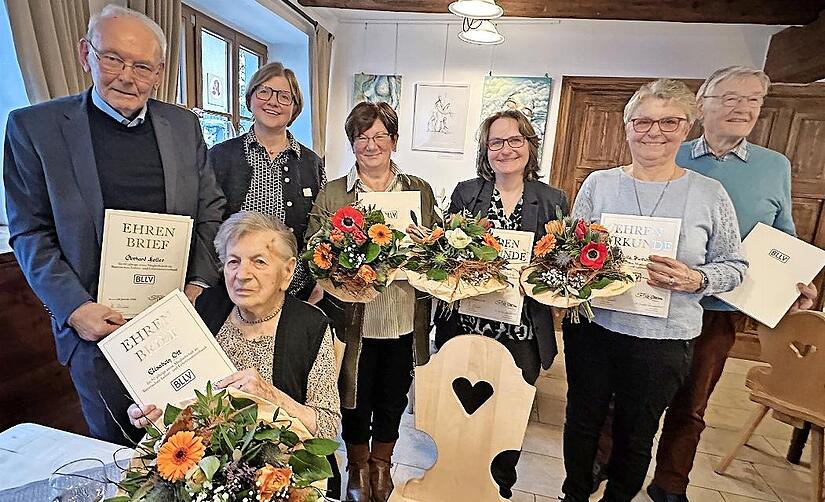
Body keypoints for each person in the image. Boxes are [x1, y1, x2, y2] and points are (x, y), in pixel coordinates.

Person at [3, 5, 224, 445]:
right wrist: (73, 309)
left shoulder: (183, 126)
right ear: (86, 53)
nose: (128, 76)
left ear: (159, 72)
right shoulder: (35, 127)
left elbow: (210, 208)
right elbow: (30, 231)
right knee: (119, 455)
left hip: (176, 323)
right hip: (96, 331)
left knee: (194, 447)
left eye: (142, 65)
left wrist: (198, 282)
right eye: (113, 59)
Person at [560, 79, 748, 502]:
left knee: (636, 430)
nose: (654, 132)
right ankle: (572, 494)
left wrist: (696, 279)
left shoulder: (708, 194)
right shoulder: (598, 184)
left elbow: (735, 267)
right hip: (594, 328)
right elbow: (570, 249)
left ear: (688, 127)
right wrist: (574, 268)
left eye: (669, 121)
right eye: (642, 121)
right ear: (627, 126)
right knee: (582, 419)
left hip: (663, 339)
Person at [647, 66, 817, 502]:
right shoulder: (668, 151)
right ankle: (605, 461)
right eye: (728, 97)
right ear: (700, 107)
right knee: (631, 389)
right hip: (657, 297)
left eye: (752, 100)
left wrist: (793, 287)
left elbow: (785, 237)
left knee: (693, 400)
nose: (741, 107)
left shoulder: (774, 166)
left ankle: (671, 481)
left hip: (721, 306)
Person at [305, 101, 438, 502]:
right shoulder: (334, 192)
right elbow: (314, 249)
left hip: (400, 312)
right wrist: (336, 255)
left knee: (394, 394)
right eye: (362, 137)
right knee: (353, 392)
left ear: (394, 141)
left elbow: (435, 245)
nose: (371, 144)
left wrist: (425, 243)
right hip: (350, 316)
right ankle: (358, 467)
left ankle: (383, 464)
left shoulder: (419, 189)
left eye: (380, 136)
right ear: (352, 142)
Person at [432, 109, 568, 498]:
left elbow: (561, 267)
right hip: (465, 323)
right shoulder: (466, 193)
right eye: (496, 142)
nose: (506, 149)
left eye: (515, 140)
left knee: (508, 413)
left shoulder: (553, 199)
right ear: (485, 150)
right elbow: (444, 255)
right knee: (459, 408)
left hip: (522, 329)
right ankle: (456, 477)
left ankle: (500, 485)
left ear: (529, 145)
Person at [129, 211, 340, 441]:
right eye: (233, 261)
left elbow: (327, 427)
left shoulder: (310, 325)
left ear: (287, 270)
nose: (242, 275)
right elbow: (170, 383)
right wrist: (147, 409)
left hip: (281, 466)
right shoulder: (205, 307)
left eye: (259, 261)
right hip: (200, 457)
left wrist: (270, 396)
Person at [197, 62, 326, 331]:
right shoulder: (220, 156)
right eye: (265, 92)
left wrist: (318, 283)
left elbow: (320, 230)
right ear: (251, 98)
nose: (273, 102)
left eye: (284, 96)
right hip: (231, 289)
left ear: (294, 108)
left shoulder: (311, 163)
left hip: (292, 291)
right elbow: (205, 220)